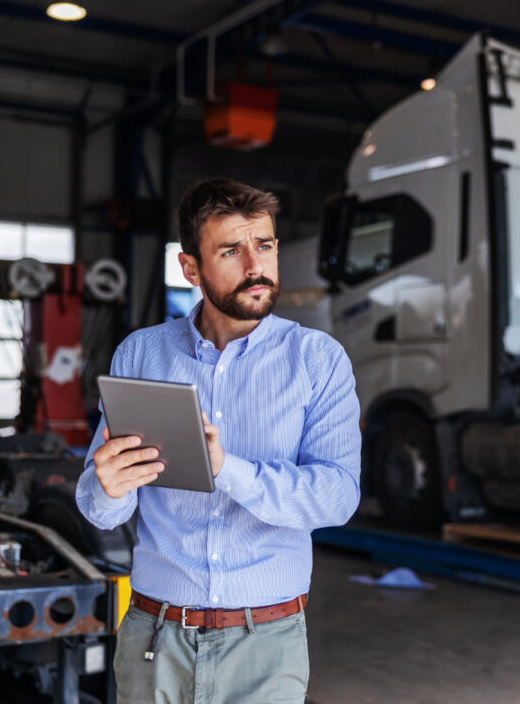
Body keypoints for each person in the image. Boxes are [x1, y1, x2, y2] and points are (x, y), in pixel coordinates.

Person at [75, 178, 361, 704]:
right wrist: (106, 486)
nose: (256, 266)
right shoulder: (142, 355)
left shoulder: (317, 362)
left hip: (266, 647)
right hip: (154, 639)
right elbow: (102, 512)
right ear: (190, 268)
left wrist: (226, 468)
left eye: (266, 246)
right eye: (231, 250)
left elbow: (338, 497)